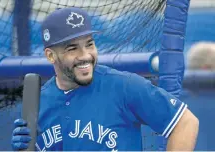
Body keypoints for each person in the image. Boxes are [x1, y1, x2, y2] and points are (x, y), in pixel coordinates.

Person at [11, 7, 199, 151]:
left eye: (89, 44)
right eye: (72, 48)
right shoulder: (39, 101)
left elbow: (185, 122)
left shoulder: (124, 86)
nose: (85, 55)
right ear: (51, 56)